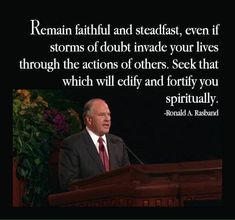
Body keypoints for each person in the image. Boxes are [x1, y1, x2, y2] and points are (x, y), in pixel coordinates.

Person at [59, 98, 130, 191]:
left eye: (109, 114)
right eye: (102, 115)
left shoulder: (117, 143)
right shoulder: (72, 144)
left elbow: (128, 176)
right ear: (89, 119)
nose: (107, 119)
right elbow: (68, 184)